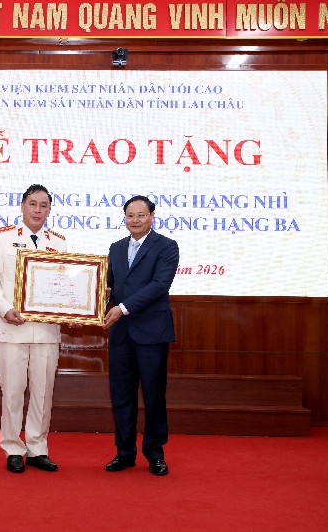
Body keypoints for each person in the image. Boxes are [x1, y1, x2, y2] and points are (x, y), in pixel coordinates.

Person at [0, 184, 67, 473]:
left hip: (45, 331)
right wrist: (4, 309)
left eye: (44, 205)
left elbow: (64, 285)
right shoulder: (3, 237)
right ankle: (12, 448)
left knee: (43, 393)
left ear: (49, 210)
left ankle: (37, 448)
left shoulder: (59, 243)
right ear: (22, 206)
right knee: (13, 392)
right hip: (12, 328)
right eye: (33, 204)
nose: (37, 210)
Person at [102, 195, 179, 476]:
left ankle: (155, 454)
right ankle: (124, 453)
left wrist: (122, 308)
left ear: (152, 217)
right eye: (130, 215)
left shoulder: (167, 246)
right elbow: (110, 286)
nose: (135, 220)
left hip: (151, 333)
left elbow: (159, 285)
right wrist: (92, 302)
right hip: (121, 334)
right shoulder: (116, 248)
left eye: (141, 215)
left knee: (153, 395)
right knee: (121, 396)